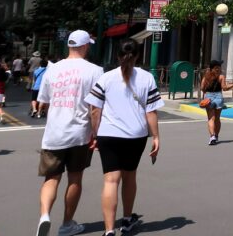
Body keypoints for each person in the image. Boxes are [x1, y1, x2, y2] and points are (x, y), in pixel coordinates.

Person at [85, 40, 162, 236]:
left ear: (117, 56)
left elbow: (95, 111)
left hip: (108, 134)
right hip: (136, 135)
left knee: (111, 180)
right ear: (137, 56)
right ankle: (127, 220)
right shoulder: (147, 78)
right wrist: (156, 137)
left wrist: (95, 134)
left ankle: (109, 230)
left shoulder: (106, 78)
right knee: (129, 177)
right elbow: (151, 112)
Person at [36, 30, 105, 236]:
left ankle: (44, 215)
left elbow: (43, 103)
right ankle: (67, 224)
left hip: (54, 133)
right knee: (75, 178)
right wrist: (96, 133)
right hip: (80, 133)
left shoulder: (53, 69)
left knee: (51, 178)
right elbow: (95, 108)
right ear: (85, 46)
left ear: (69, 45)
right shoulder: (95, 71)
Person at [198, 59, 233, 145]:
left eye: (219, 67)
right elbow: (224, 88)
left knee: (211, 118)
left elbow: (202, 88)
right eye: (217, 67)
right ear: (213, 68)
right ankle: (216, 136)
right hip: (218, 97)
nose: (219, 69)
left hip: (208, 97)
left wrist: (207, 93)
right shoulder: (221, 77)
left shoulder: (206, 76)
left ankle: (212, 136)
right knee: (217, 118)